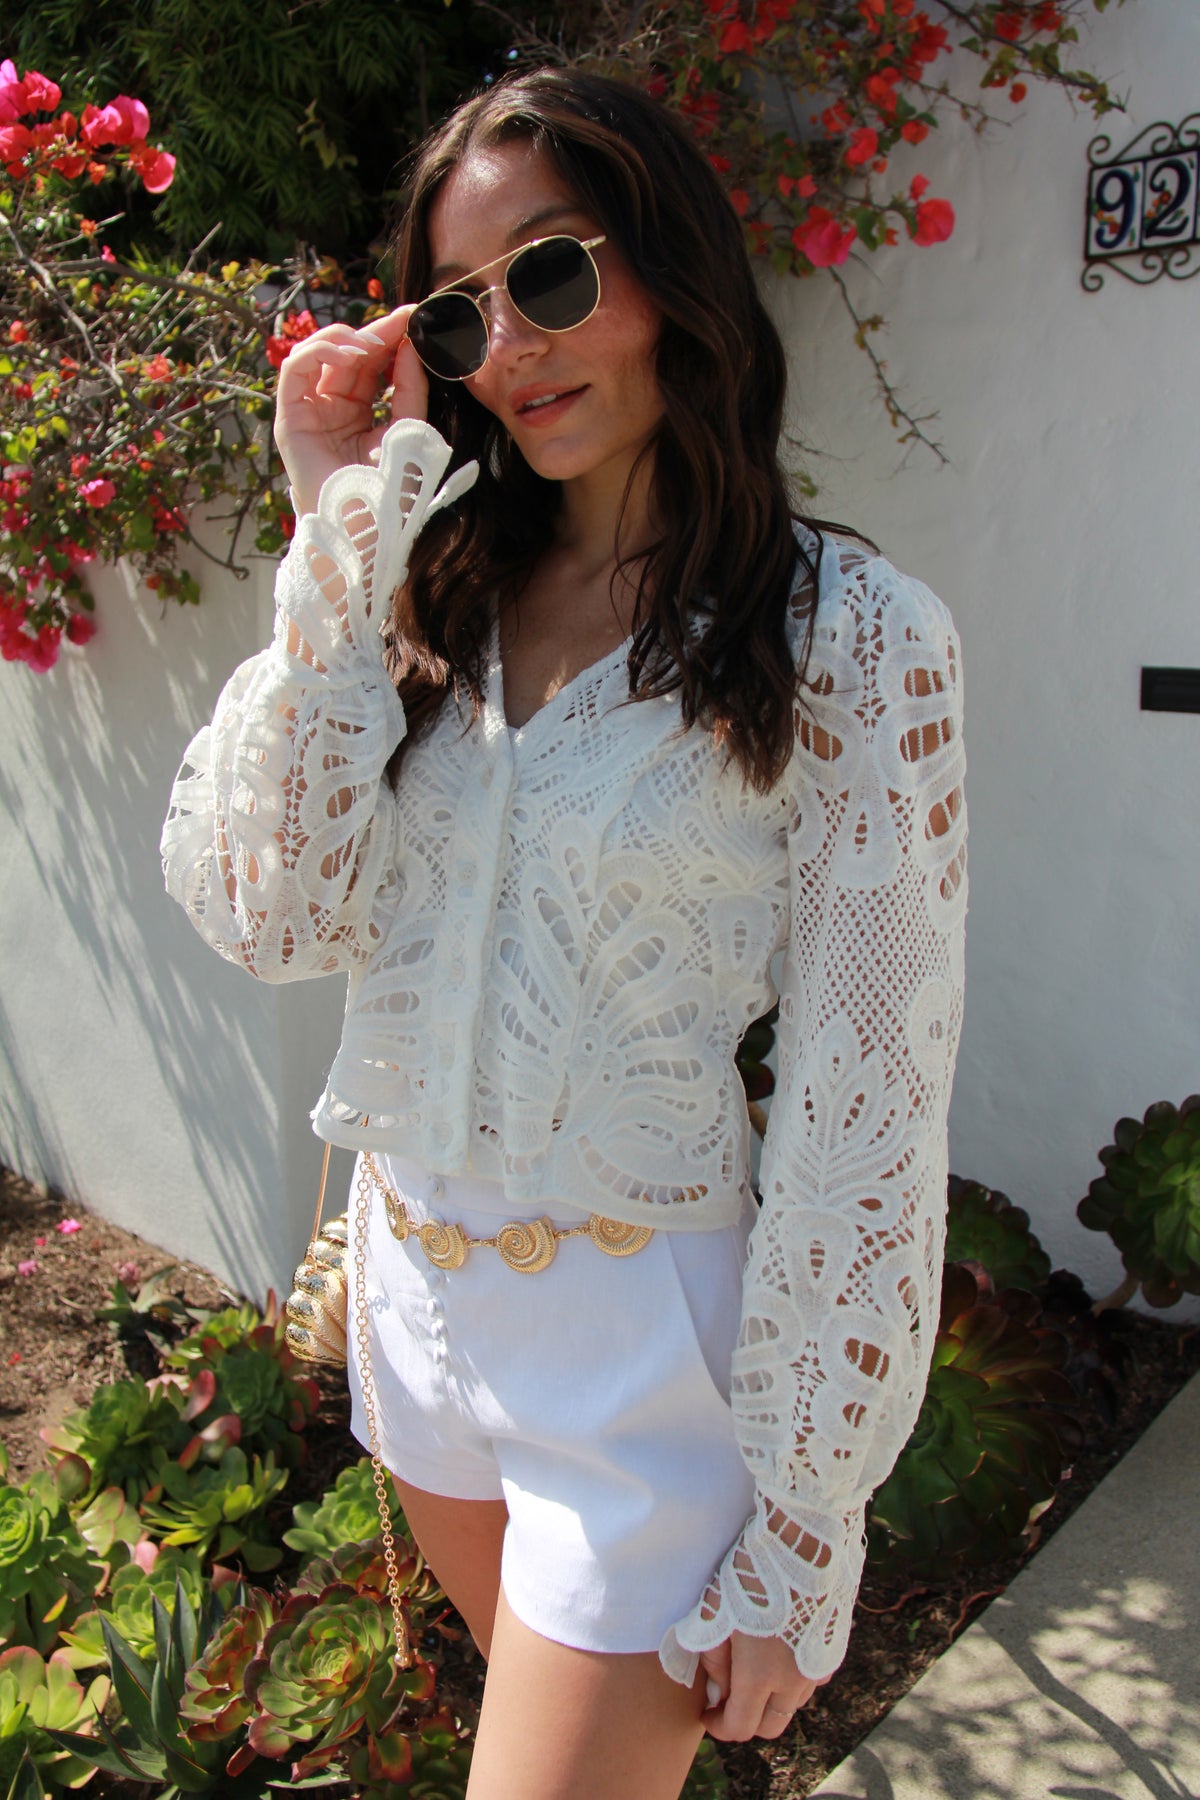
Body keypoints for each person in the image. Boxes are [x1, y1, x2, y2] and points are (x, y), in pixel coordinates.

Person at [161, 66, 967, 1800]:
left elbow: (871, 1094)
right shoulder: (426, 588)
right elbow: (268, 914)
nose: (509, 345)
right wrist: (332, 513)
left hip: (645, 1368)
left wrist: (808, 1518)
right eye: (458, 313)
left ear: (667, 264)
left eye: (548, 270)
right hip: (417, 1324)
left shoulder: (849, 633)